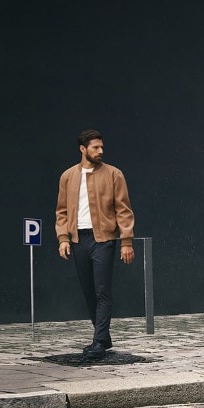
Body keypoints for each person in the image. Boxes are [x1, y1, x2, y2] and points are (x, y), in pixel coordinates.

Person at [55, 129, 136, 359]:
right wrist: (63, 238)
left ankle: (99, 341)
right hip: (78, 239)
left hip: (103, 240)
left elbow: (124, 210)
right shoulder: (68, 176)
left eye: (102, 147)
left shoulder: (114, 174)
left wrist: (126, 242)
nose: (101, 151)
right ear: (83, 149)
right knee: (88, 291)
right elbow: (61, 211)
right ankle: (104, 336)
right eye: (95, 147)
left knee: (102, 291)